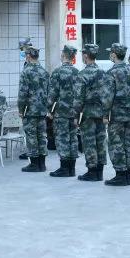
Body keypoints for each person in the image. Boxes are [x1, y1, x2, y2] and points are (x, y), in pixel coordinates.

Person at [73, 43, 112, 182]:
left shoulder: (82, 74)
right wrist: (106, 112)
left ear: (85, 56)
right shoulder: (103, 73)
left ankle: (92, 171)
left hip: (88, 113)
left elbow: (78, 97)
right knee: (101, 141)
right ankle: (100, 171)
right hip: (101, 113)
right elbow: (108, 95)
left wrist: (76, 115)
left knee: (89, 142)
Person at [104, 43, 130, 186]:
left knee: (116, 143)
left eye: (110, 53)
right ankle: (128, 173)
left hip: (116, 114)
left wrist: (105, 114)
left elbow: (107, 96)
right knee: (128, 142)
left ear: (114, 54)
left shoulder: (111, 72)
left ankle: (120, 174)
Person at [47, 45, 81, 178]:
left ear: (63, 56)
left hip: (61, 112)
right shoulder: (77, 72)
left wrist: (49, 110)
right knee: (73, 138)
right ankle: (72, 168)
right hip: (74, 112)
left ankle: (64, 168)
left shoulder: (57, 72)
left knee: (62, 138)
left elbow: (52, 94)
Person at [18, 47, 50, 172]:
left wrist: (21, 109)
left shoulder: (26, 71)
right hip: (42, 109)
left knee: (31, 136)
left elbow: (22, 93)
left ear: (28, 56)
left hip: (30, 109)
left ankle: (34, 164)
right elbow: (49, 91)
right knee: (42, 136)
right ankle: (42, 164)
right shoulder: (44, 71)